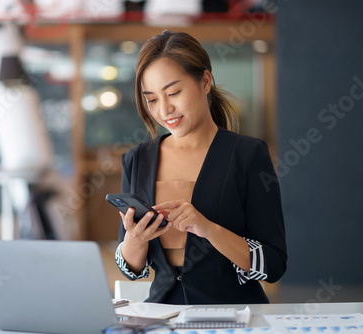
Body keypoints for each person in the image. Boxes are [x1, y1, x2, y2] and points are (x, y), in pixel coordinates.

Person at [114, 30, 287, 305]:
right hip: (162, 316)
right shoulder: (137, 159)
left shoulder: (247, 154)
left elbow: (273, 265)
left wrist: (207, 228)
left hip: (234, 315)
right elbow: (132, 270)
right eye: (152, 99)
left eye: (174, 92)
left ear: (205, 82)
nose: (165, 109)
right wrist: (135, 239)